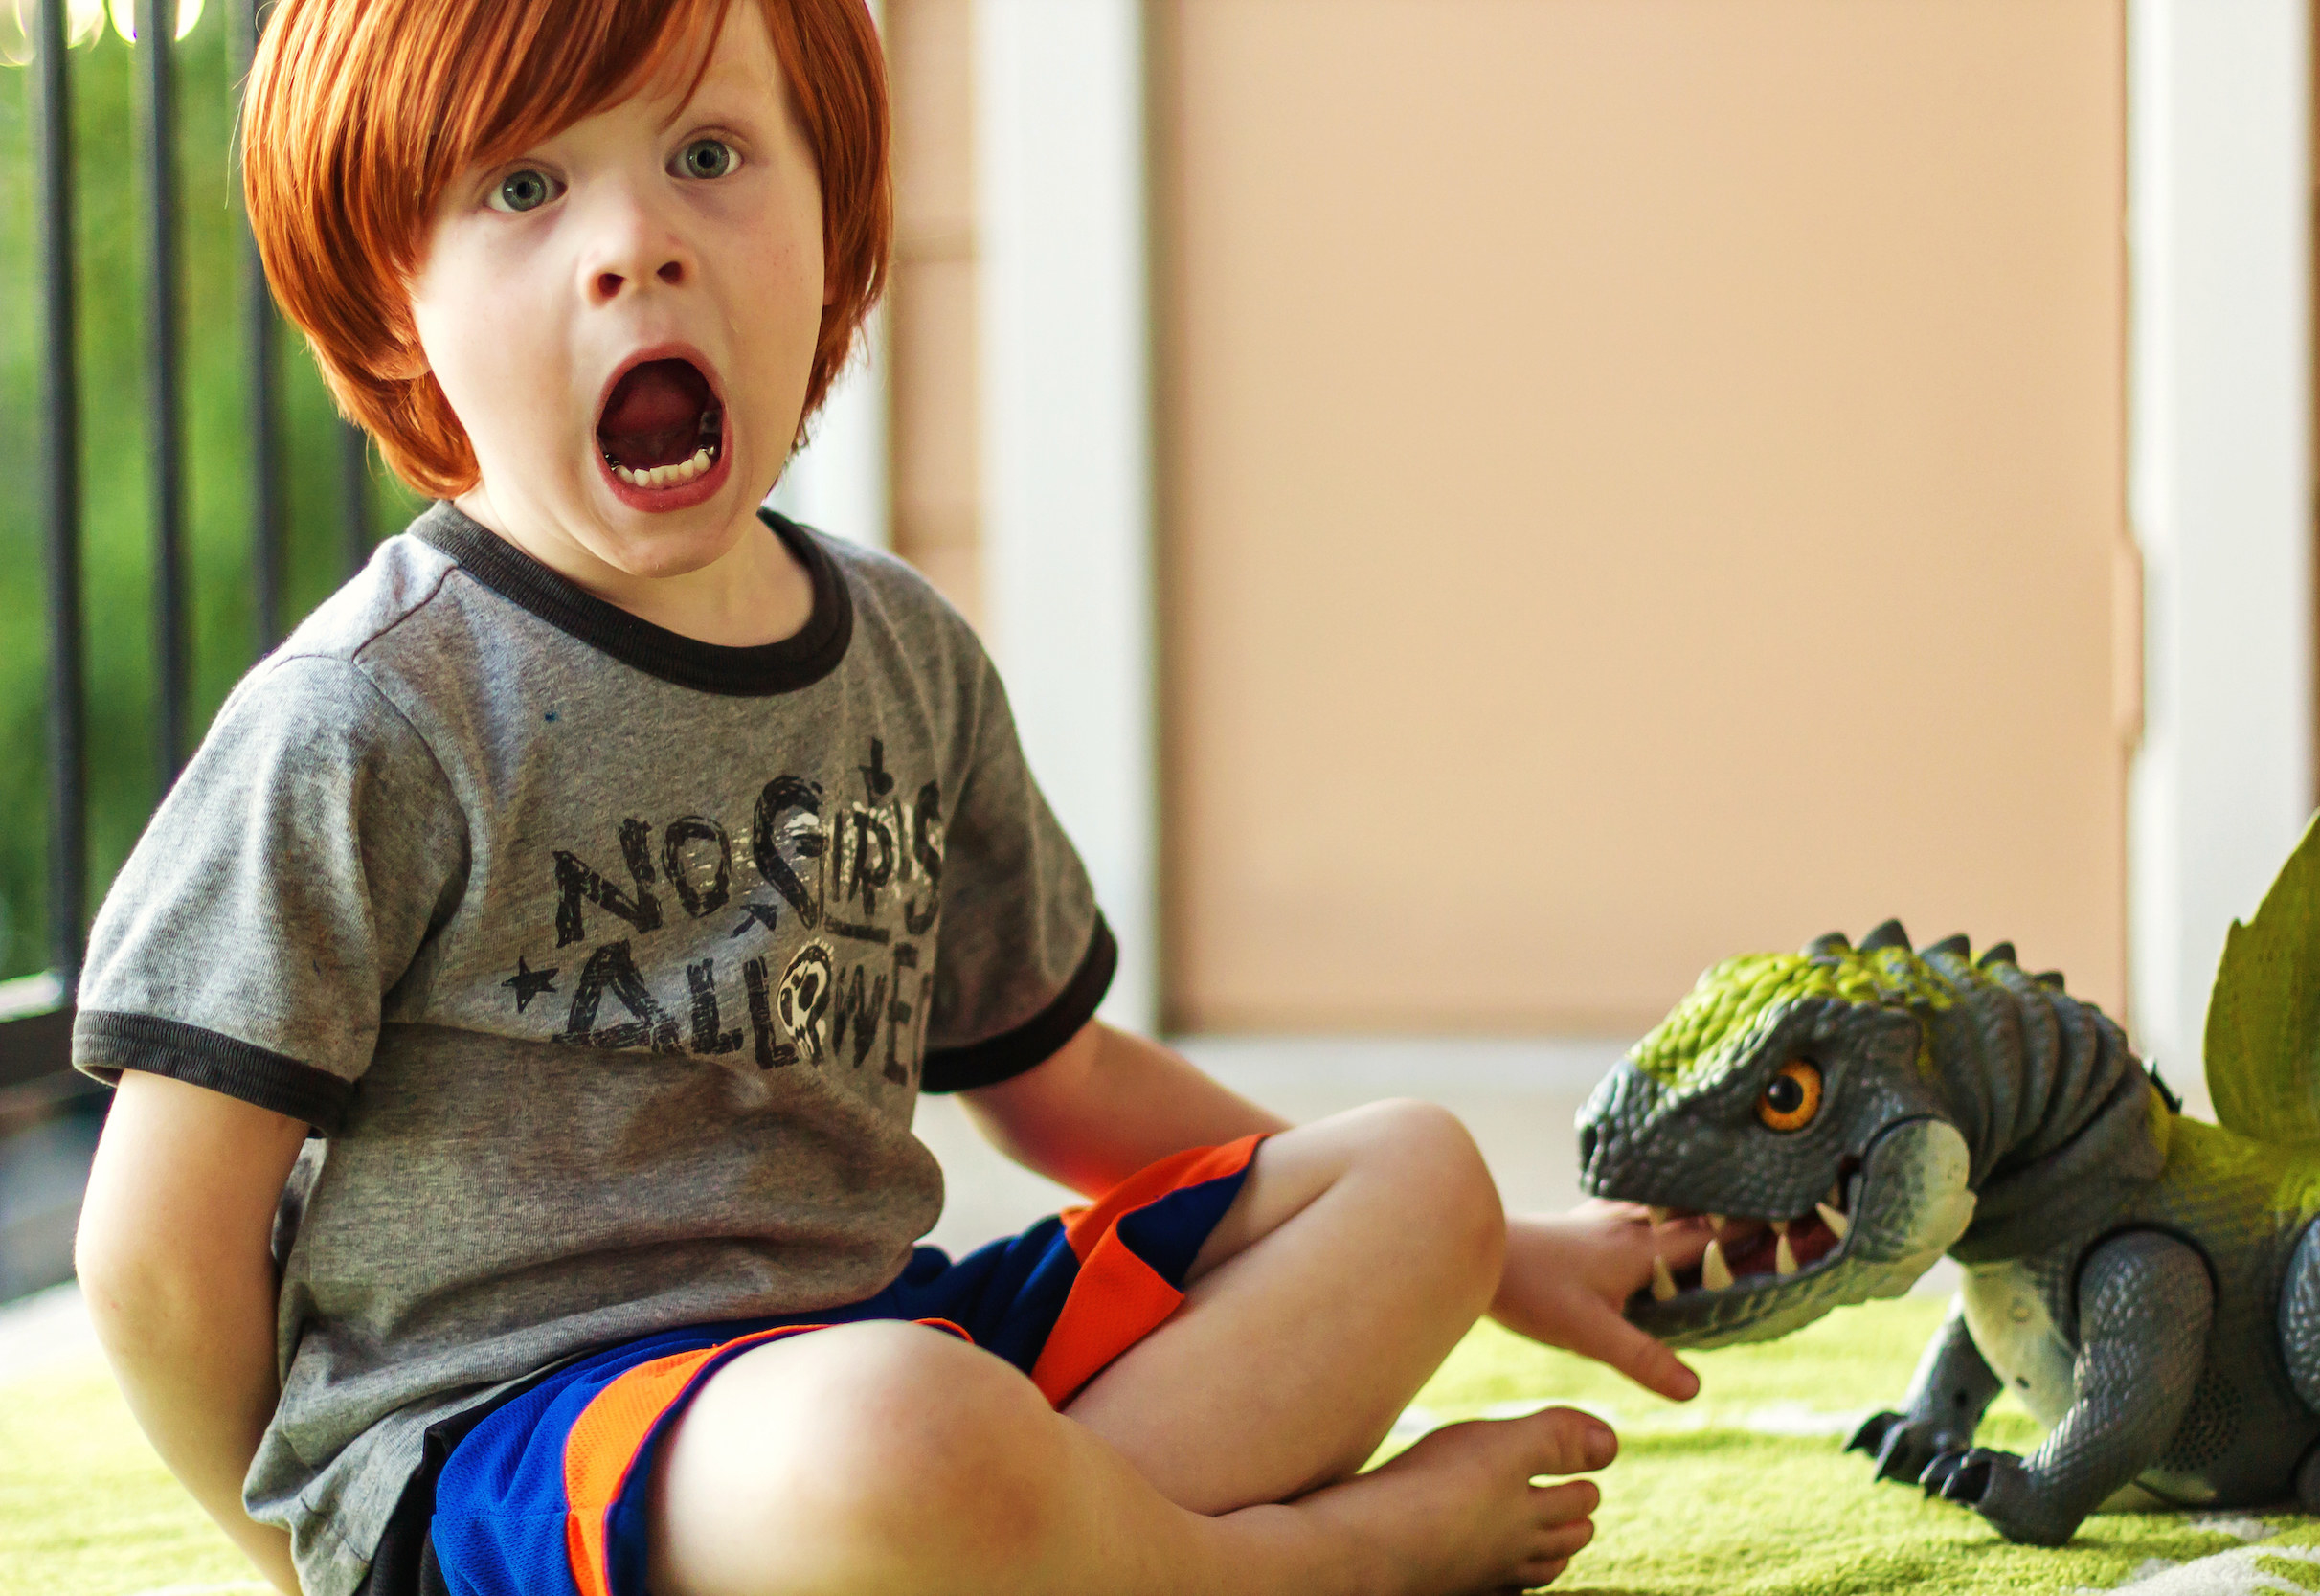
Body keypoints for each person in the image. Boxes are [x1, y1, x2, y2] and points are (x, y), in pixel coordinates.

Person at [69, 3, 1711, 1593]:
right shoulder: (370, 718)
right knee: (908, 1444)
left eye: (709, 152)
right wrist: (305, 1565)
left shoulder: (903, 654)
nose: (636, 243)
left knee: (1416, 1178)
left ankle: (1030, 1556)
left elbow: (1056, 1083)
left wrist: (1507, 1256)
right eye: (521, 187)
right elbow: (152, 1253)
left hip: (878, 1356)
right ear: (389, 303)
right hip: (525, 1446)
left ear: (841, 229)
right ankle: (1299, 1569)